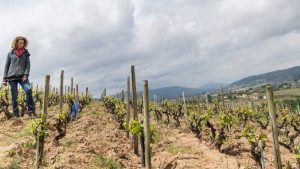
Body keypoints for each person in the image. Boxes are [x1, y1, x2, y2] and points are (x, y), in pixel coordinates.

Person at [2, 36, 36, 118]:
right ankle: (15, 114)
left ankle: (31, 112)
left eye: (23, 43)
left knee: (28, 90)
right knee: (14, 96)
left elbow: (28, 65)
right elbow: (7, 66)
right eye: (20, 43)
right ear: (16, 43)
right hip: (11, 77)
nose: (22, 44)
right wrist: (4, 79)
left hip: (23, 77)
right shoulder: (10, 54)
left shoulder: (26, 53)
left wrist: (26, 75)